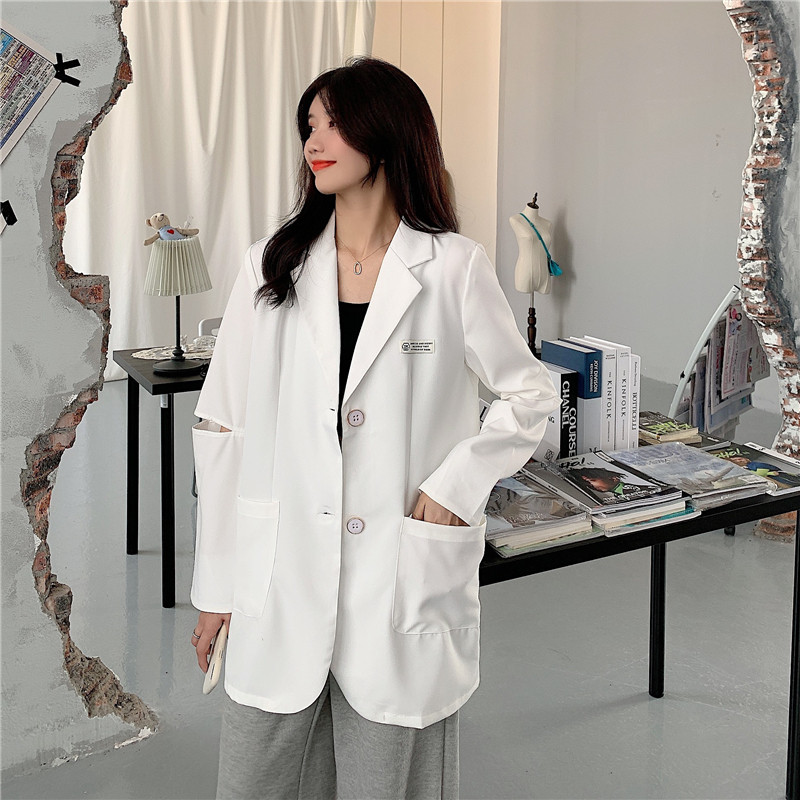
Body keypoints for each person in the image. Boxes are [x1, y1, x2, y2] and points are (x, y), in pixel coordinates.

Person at [189, 56, 559, 800]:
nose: (314, 142)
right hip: (277, 576)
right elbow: (221, 425)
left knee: (388, 782)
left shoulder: (452, 267)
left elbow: (531, 393)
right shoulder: (272, 265)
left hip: (398, 580)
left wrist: (456, 484)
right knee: (253, 779)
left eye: (334, 123)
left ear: (386, 131)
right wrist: (216, 585)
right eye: (309, 125)